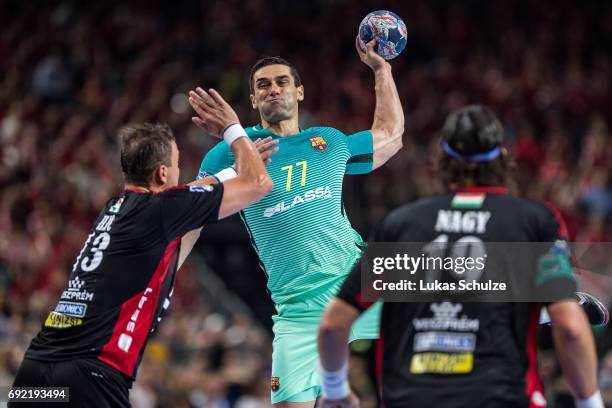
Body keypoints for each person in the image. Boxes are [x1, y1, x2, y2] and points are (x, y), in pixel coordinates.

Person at [317, 105, 606, 408]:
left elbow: (333, 324)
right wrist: (590, 403)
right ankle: (540, 310)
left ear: (441, 161)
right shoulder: (535, 221)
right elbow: (571, 329)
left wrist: (336, 392)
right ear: (504, 159)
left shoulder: (401, 225)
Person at [10, 88, 273, 407]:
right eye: (176, 166)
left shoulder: (115, 209)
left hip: (33, 379)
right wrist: (233, 128)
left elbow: (187, 212)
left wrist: (229, 172)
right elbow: (259, 183)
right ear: (163, 173)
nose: (179, 175)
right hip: (90, 379)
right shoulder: (160, 210)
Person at [196, 38, 404, 407]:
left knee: (481, 290)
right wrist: (233, 169)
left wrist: (381, 70)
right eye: (263, 85)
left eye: (281, 82)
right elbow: (191, 207)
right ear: (254, 100)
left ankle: (541, 285)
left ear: (299, 91)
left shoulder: (328, 140)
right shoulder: (232, 151)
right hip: (299, 309)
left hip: (361, 282)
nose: (273, 89)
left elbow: (390, 135)